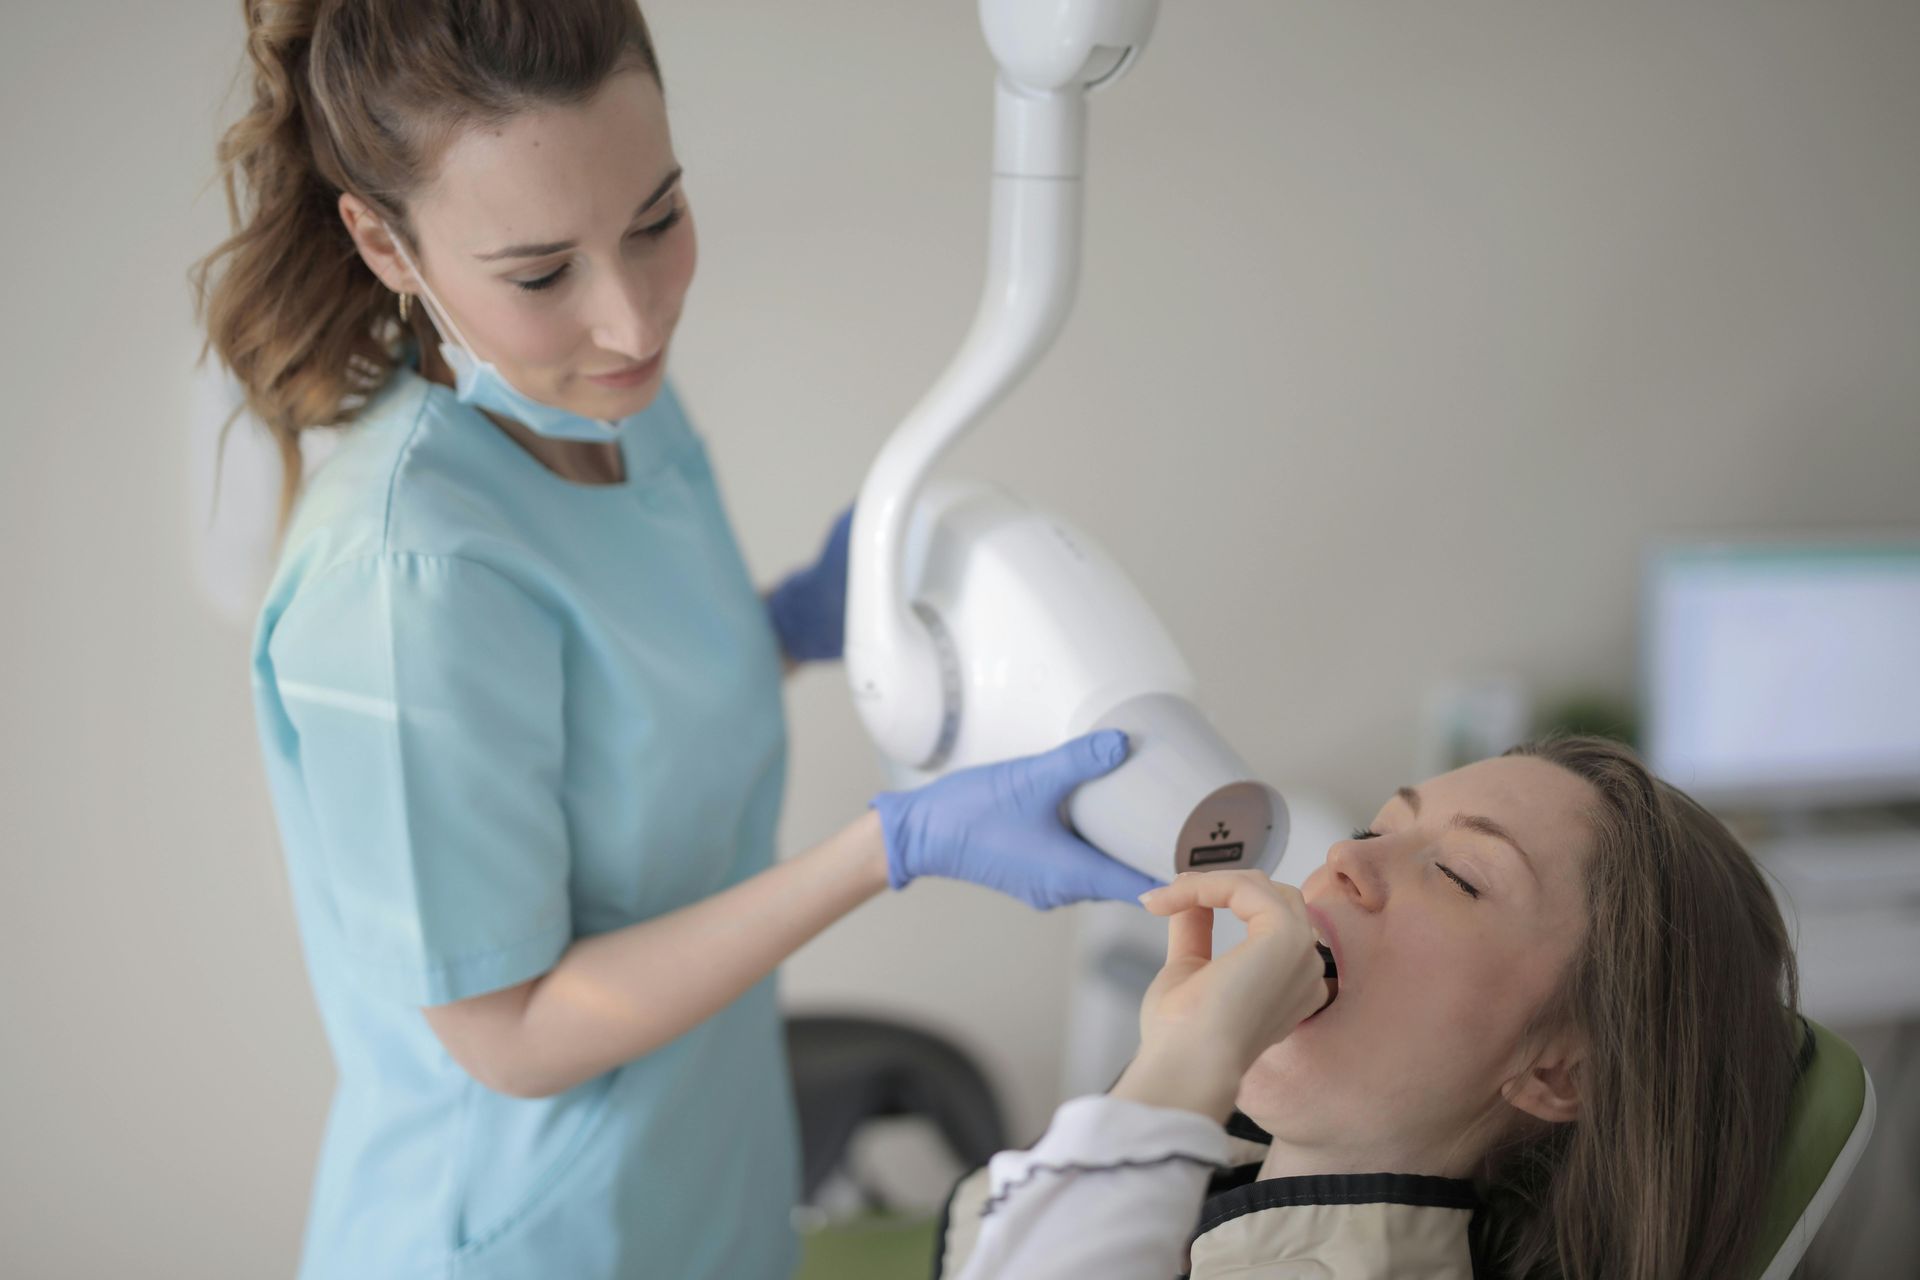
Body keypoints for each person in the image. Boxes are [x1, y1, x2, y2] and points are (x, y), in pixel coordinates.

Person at [193, 3, 1157, 1277]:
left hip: (703, 1175)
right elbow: (512, 1033)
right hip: (527, 1234)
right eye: (541, 274)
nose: (636, 318)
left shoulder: (602, 400)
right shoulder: (402, 578)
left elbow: (614, 734)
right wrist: (892, 847)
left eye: (657, 220)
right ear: (384, 242)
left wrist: (794, 625)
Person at [937, 736, 1804, 1280]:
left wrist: (1186, 1060)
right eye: (1378, 826)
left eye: (1462, 876)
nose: (1349, 856)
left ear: (1557, 1068)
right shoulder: (1213, 1158)